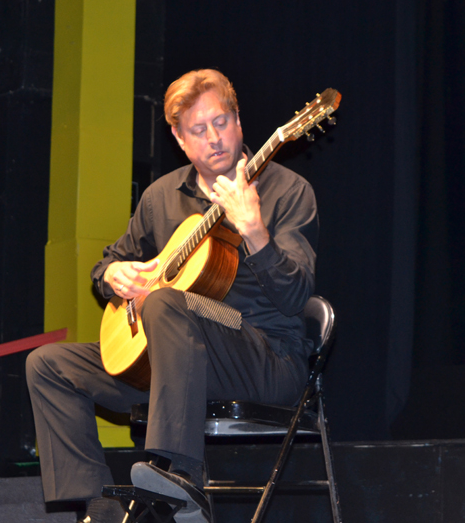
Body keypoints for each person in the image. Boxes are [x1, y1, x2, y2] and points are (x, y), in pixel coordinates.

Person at [26, 69, 319, 523]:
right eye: (198, 131)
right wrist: (114, 275)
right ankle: (98, 503)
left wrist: (256, 232)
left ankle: (181, 478)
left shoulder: (287, 192)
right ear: (180, 141)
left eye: (221, 122)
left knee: (164, 302)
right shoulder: (162, 197)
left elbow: (297, 296)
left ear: (239, 121)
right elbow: (107, 264)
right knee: (48, 365)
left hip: (265, 359)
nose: (214, 138)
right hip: (174, 364)